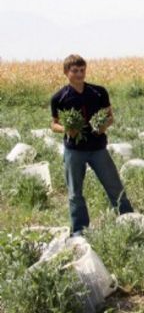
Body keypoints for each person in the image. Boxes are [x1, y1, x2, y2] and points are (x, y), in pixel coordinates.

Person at [50, 54, 133, 235]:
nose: (80, 74)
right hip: (74, 151)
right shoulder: (59, 97)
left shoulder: (98, 91)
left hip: (98, 148)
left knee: (114, 185)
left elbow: (110, 116)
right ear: (66, 72)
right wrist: (66, 129)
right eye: (75, 71)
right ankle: (80, 230)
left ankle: (128, 220)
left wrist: (104, 126)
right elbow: (53, 123)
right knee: (75, 192)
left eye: (82, 70)